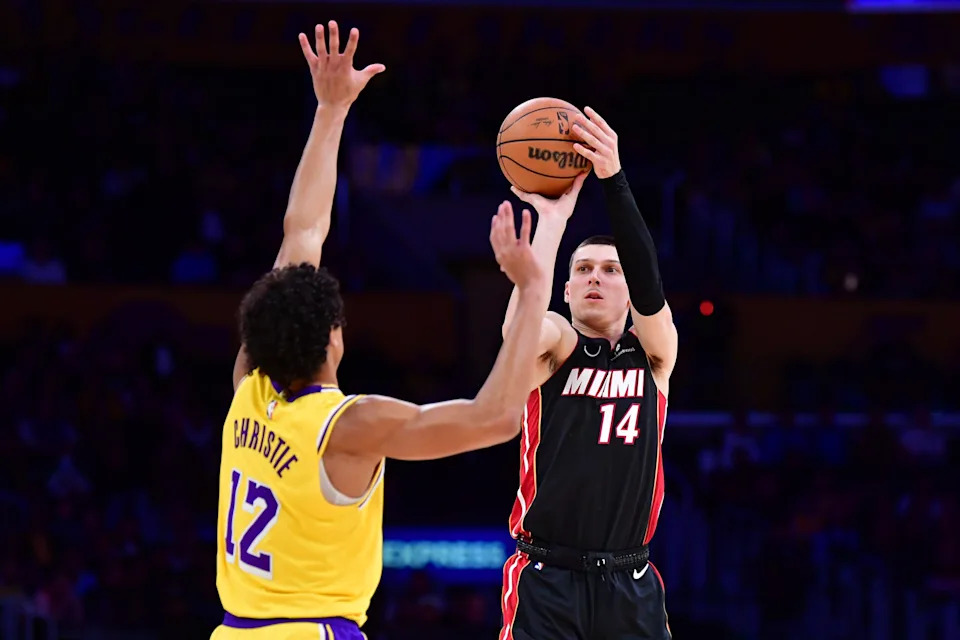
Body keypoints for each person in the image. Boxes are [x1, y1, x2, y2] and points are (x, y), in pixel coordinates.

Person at [211, 21, 549, 640]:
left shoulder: (248, 388)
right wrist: (531, 292)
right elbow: (497, 419)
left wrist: (330, 111)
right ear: (335, 337)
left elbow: (302, 234)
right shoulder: (350, 427)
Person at [498, 107, 679, 640]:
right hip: (546, 576)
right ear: (567, 290)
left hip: (631, 576)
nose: (595, 278)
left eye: (610, 270)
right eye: (583, 271)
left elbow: (651, 286)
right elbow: (519, 334)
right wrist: (552, 223)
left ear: (630, 291)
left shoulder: (654, 356)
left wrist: (614, 180)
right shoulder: (556, 342)